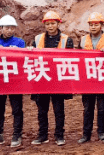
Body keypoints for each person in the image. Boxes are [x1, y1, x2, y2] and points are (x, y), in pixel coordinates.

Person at [31, 10, 74, 146]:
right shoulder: (37, 39)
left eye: (53, 23)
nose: (50, 26)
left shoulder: (66, 40)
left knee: (58, 109)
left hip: (58, 79)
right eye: (48, 24)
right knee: (42, 110)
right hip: (42, 78)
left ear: (58, 24)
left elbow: (72, 58)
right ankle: (42, 135)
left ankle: (59, 135)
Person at [0, 15, 27, 148]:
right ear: (1, 28)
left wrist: (17, 52)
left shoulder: (20, 43)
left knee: (17, 109)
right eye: (6, 27)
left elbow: (24, 59)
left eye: (11, 28)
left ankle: (17, 134)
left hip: (15, 81)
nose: (9, 30)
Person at [78, 12, 104, 144]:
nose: (93, 27)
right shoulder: (82, 40)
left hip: (103, 78)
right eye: (91, 24)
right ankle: (86, 134)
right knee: (87, 108)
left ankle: (101, 132)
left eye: (96, 24)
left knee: (102, 107)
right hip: (88, 78)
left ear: (101, 25)